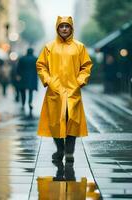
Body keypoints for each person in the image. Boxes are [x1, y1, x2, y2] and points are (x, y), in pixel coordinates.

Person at [36, 16, 92, 163]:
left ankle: (69, 152)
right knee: (55, 122)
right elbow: (41, 65)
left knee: (72, 121)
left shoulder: (79, 47)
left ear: (71, 28)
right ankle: (60, 149)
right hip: (54, 92)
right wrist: (49, 80)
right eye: (62, 26)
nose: (65, 29)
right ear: (57, 28)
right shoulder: (49, 47)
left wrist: (79, 82)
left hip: (73, 91)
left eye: (67, 26)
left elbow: (86, 66)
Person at [17, 48, 38, 116]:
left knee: (23, 91)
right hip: (32, 77)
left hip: (23, 77)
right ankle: (30, 102)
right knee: (30, 91)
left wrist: (18, 75)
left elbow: (18, 68)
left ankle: (23, 103)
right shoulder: (35, 59)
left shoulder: (22, 59)